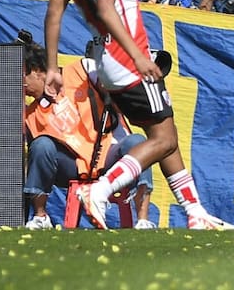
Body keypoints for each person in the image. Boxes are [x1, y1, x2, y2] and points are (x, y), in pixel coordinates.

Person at [44, 0, 234, 230]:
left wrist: (52, 66)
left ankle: (195, 213)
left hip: (105, 60)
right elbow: (106, 8)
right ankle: (100, 190)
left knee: (165, 136)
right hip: (127, 57)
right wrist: (139, 56)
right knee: (163, 140)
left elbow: (54, 13)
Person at [20, 32, 155, 230]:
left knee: (137, 143)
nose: (21, 84)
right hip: (72, 166)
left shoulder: (81, 69)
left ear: (38, 71)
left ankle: (143, 220)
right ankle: (41, 217)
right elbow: (35, 157)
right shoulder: (30, 113)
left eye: (22, 75)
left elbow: (109, 81)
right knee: (41, 146)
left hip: (109, 153)